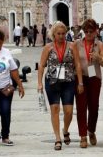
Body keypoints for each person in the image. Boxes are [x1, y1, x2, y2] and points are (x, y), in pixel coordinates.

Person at [37, 21, 84, 151]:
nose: (61, 36)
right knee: (55, 109)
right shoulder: (48, 47)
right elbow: (41, 65)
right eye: (58, 34)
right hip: (52, 82)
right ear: (54, 34)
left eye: (63, 33)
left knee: (68, 111)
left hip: (68, 81)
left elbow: (78, 64)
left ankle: (65, 129)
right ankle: (58, 138)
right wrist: (39, 83)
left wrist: (80, 82)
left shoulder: (72, 45)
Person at [75, 18, 103, 148]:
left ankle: (91, 131)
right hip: (81, 77)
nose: (89, 34)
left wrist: (98, 58)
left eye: (91, 31)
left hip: (94, 77)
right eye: (86, 31)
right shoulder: (77, 44)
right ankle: (83, 135)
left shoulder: (99, 45)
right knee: (81, 107)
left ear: (96, 31)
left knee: (94, 107)